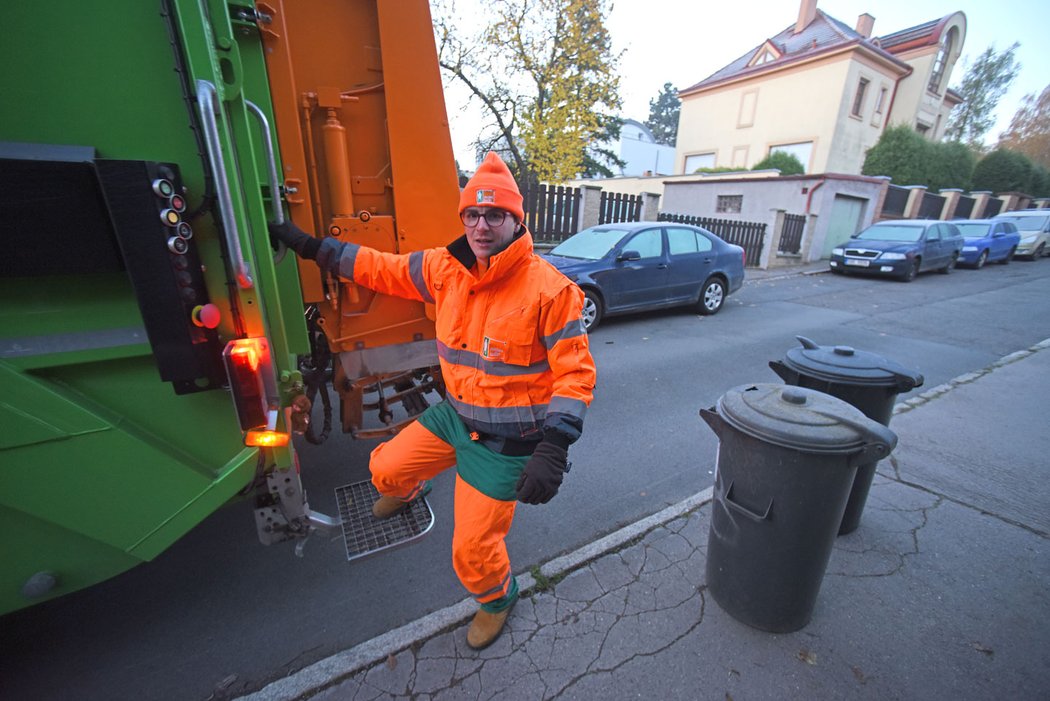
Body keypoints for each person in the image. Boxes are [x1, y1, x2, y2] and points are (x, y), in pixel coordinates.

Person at [270, 152, 596, 650]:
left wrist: (555, 447)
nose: (481, 225)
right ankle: (407, 490)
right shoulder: (446, 267)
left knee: (471, 549)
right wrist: (313, 248)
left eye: (494, 215)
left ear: (516, 220)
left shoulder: (552, 293)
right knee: (385, 468)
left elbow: (575, 376)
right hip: (454, 417)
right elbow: (381, 269)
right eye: (472, 214)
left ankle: (497, 599)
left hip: (506, 444)